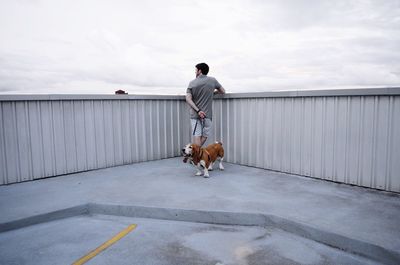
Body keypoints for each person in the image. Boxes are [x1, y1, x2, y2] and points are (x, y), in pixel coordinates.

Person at [186, 63, 225, 148]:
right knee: (205, 135)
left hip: (195, 115)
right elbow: (222, 91)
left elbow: (188, 99)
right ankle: (197, 155)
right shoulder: (213, 80)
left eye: (196, 70)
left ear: (200, 71)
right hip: (207, 115)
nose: (195, 72)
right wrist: (212, 93)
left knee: (197, 135)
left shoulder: (192, 83)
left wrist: (198, 111)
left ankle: (196, 156)